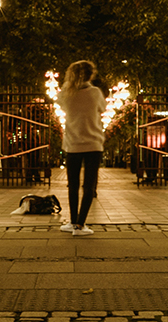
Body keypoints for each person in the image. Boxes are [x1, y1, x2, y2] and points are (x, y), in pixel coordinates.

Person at [54, 59, 106, 236]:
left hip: (73, 144)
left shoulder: (66, 93)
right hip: (93, 144)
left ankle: (72, 221)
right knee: (89, 185)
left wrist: (69, 83)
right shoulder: (96, 93)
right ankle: (80, 225)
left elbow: (60, 103)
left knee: (73, 185)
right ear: (90, 75)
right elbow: (102, 108)